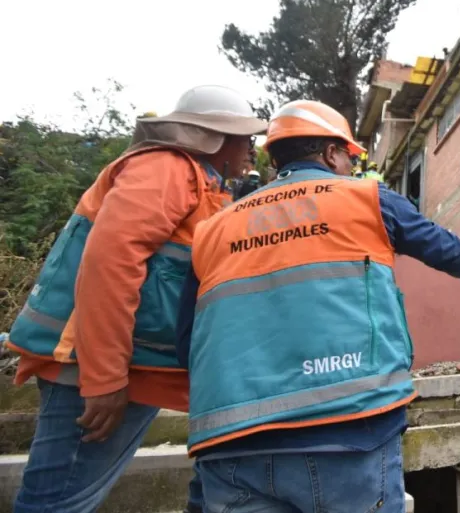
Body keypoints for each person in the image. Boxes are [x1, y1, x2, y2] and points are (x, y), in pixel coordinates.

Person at [175, 99, 460, 513]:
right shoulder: (365, 198)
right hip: (348, 431)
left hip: (230, 444)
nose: (352, 168)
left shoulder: (213, 228)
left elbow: (187, 343)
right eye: (349, 156)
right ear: (330, 153)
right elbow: (438, 242)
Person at [6, 85, 268, 513]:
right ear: (214, 139)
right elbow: (111, 262)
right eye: (246, 138)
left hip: (125, 365)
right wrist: (105, 379)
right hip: (92, 368)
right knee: (56, 502)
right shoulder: (166, 169)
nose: (252, 150)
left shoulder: (202, 185)